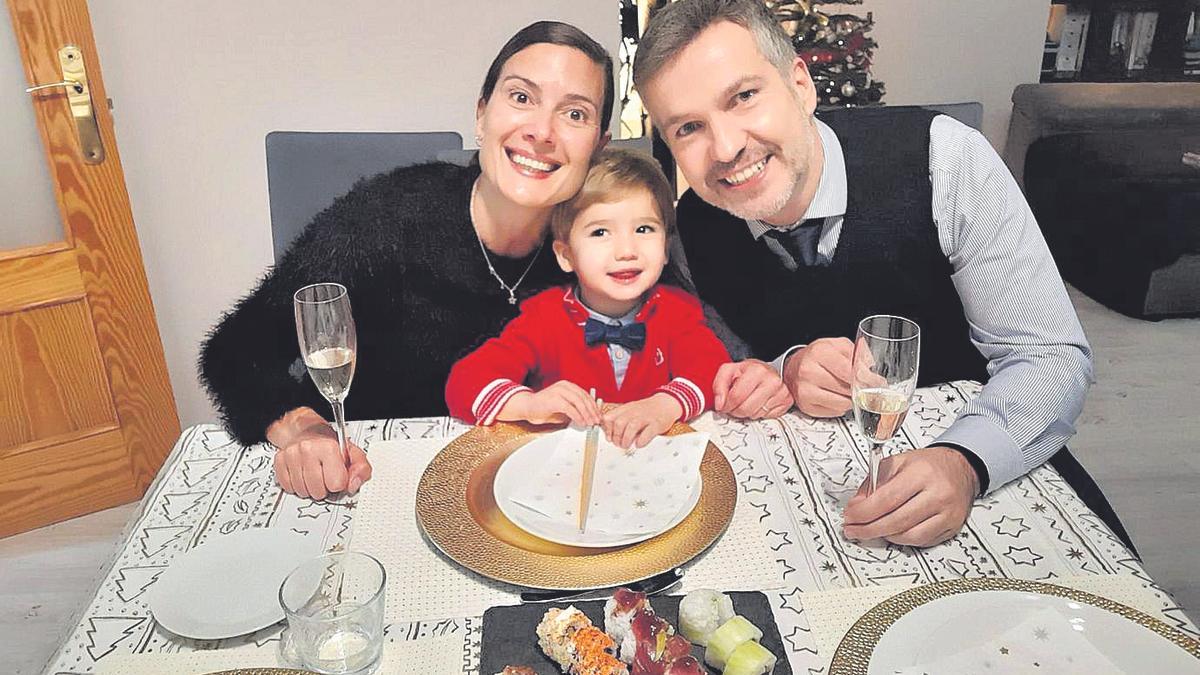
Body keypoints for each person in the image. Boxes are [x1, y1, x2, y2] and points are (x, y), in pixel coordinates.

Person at [632, 0, 1098, 547]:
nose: (728, 148)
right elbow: (730, 367)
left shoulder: (942, 157)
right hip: (808, 512)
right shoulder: (693, 231)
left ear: (800, 85)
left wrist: (965, 461)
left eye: (744, 97)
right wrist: (784, 368)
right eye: (689, 127)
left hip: (988, 475)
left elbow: (1050, 355)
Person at [199, 21, 616, 500]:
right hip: (375, 484)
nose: (542, 131)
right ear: (481, 116)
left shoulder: (609, 235)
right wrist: (301, 429)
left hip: (531, 491)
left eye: (575, 114)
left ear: (599, 145)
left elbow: (674, 340)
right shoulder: (385, 217)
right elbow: (235, 352)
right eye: (521, 98)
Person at [445, 148, 753, 449]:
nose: (626, 250)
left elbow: (712, 371)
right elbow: (464, 382)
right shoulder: (543, 318)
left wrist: (665, 405)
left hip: (646, 461)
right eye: (600, 233)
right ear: (566, 255)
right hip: (562, 466)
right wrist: (528, 404)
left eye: (644, 229)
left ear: (665, 248)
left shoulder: (677, 312)